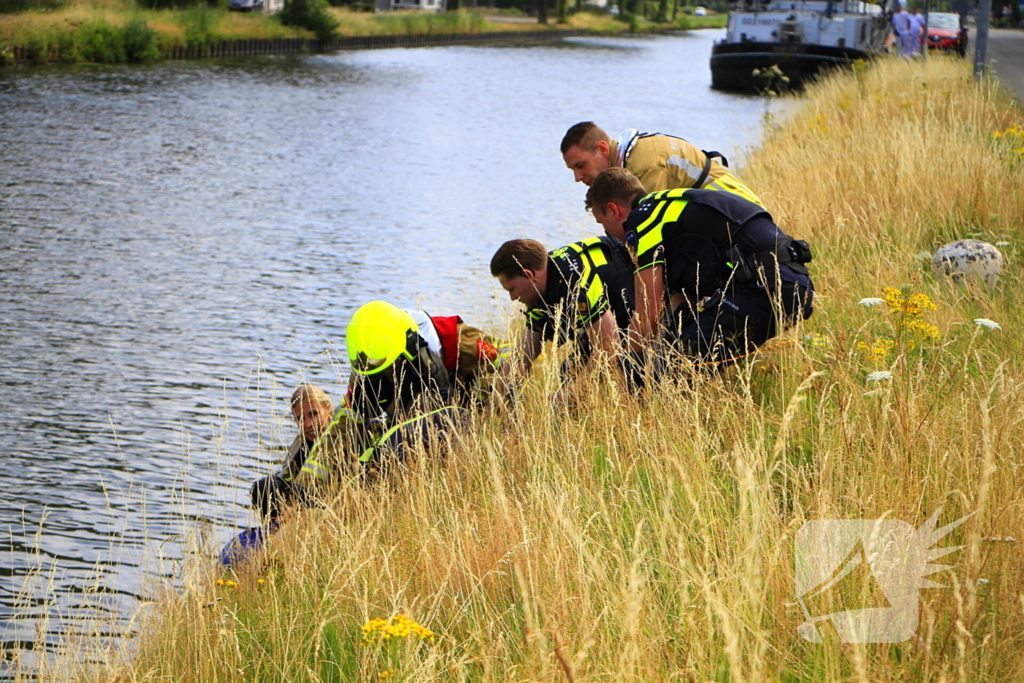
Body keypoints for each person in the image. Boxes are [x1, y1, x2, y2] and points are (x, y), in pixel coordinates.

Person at [585, 168, 814, 372]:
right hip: (793, 283)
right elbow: (682, 305)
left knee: (670, 370)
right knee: (687, 356)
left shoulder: (642, 220)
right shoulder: (672, 206)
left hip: (763, 287)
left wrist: (627, 367)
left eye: (602, 223)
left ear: (614, 210)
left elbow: (648, 313)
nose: (608, 233)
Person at [489, 236, 635, 394]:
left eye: (512, 289)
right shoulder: (543, 284)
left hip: (643, 317)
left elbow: (610, 348)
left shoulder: (574, 282)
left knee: (626, 375)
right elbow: (523, 356)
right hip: (616, 317)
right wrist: (493, 407)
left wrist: (565, 398)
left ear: (529, 275)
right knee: (570, 370)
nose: (513, 298)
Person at [345, 300, 505, 423]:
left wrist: (484, 415)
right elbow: (348, 418)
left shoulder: (460, 343)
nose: (388, 373)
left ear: (409, 349)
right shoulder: (368, 365)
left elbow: (512, 358)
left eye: (392, 366)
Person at [560, 121, 763, 207]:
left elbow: (649, 232)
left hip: (737, 210)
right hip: (721, 208)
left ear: (603, 149)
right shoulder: (629, 159)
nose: (577, 178)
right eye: (572, 170)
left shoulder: (642, 166)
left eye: (580, 166)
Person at [249, 383, 355, 522]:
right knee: (264, 488)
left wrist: (296, 509)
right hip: (303, 499)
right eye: (300, 419)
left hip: (333, 503)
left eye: (314, 414)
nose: (308, 424)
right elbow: (288, 479)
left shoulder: (342, 437)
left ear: (328, 409)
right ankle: (272, 532)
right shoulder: (302, 442)